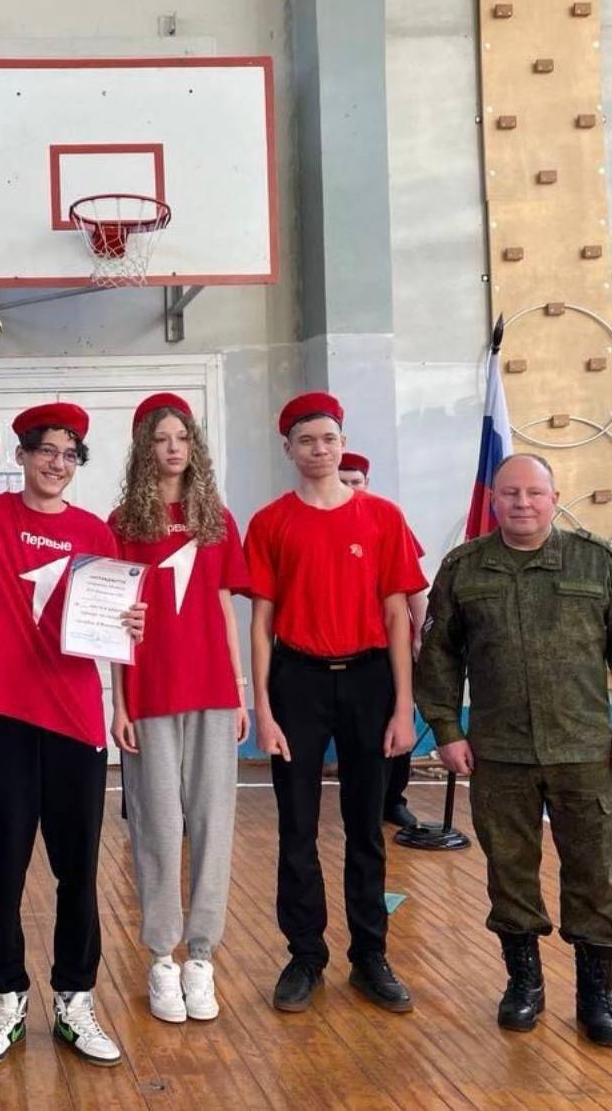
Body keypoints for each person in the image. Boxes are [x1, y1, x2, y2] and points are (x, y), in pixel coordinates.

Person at [0, 369, 145, 1068]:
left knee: (78, 872)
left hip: (76, 722)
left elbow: (112, 624)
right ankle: (6, 997)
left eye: (69, 453)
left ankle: (75, 997)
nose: (57, 462)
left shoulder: (94, 531)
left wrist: (127, 630)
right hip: (3, 719)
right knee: (2, 868)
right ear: (21, 455)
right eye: (46, 450)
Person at [415, 453, 612, 1044]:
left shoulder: (596, 561)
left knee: (597, 872)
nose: (522, 503)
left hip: (585, 752)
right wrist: (446, 731)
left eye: (533, 492)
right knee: (510, 871)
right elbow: (439, 656)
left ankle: (597, 993)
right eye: (509, 493)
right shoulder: (465, 568)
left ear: (554, 498)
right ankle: (524, 983)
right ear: (493, 500)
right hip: (499, 753)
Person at [244, 392, 425, 1014]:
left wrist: (403, 707)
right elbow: (261, 622)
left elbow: (398, 617)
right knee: (296, 825)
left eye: (328, 438)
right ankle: (305, 954)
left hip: (369, 680)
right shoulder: (271, 522)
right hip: (297, 681)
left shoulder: (382, 517)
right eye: (306, 441)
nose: (319, 450)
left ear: (342, 442)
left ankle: (370, 954)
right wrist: (263, 708)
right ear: (289, 449)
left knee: (365, 826)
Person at [109, 393, 250, 1024]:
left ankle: (201, 956)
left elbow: (222, 605)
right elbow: (113, 619)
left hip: (213, 691)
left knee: (213, 825)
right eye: (162, 438)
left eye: (182, 438)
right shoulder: (121, 523)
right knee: (158, 826)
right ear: (145, 448)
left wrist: (239, 689)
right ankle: (162, 956)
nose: (173, 449)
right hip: (150, 693)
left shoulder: (216, 519)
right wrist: (119, 703)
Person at [338, 450, 427, 829]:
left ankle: (393, 799)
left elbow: (413, 585)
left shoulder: (385, 517)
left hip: (389, 643)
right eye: (343, 481)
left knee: (397, 720)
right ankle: (364, 804)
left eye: (355, 482)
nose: (349, 487)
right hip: (345, 646)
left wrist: (422, 634)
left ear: (367, 483)